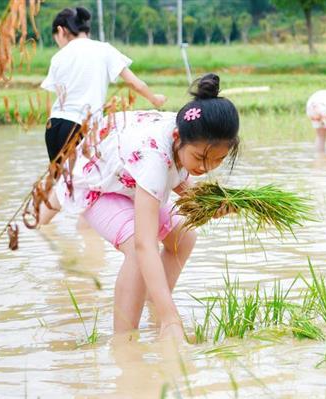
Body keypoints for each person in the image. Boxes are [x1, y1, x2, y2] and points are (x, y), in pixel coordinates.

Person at [39, 74, 240, 339]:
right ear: (178, 137)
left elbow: (179, 177)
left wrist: (213, 206)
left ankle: (156, 308)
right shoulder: (154, 156)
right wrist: (173, 318)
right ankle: (125, 341)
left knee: (184, 237)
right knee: (137, 246)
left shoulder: (187, 134)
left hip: (126, 174)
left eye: (218, 160)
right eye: (200, 158)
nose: (206, 167)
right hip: (95, 182)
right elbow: (145, 243)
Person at [41, 6, 166, 163]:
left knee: (60, 182)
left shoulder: (58, 57)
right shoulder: (104, 50)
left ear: (60, 30)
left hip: (54, 125)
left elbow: (60, 95)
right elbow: (135, 84)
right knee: (85, 180)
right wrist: (155, 99)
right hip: (80, 126)